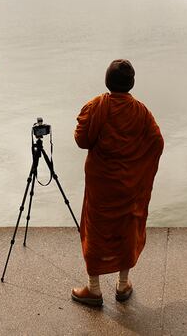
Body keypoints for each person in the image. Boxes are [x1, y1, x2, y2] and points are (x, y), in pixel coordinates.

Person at [70, 59, 164, 307]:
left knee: (96, 230)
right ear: (131, 83)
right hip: (129, 184)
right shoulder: (141, 112)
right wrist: (139, 168)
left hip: (101, 183)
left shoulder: (96, 106)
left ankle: (93, 289)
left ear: (107, 81)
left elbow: (81, 140)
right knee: (126, 229)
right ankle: (123, 285)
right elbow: (157, 141)